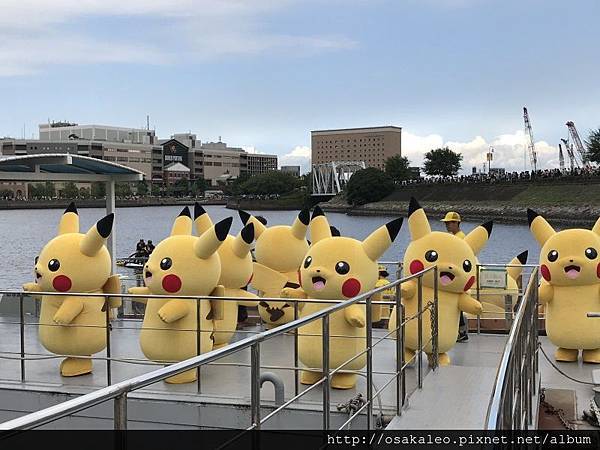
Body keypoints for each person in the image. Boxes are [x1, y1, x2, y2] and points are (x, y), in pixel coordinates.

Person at [441, 211, 469, 342]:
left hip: (457, 277)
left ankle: (461, 331)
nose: (447, 225)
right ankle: (459, 331)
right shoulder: (455, 236)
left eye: (449, 223)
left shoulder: (459, 238)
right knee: (456, 305)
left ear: (457, 223)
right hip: (457, 275)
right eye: (446, 223)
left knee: (456, 305)